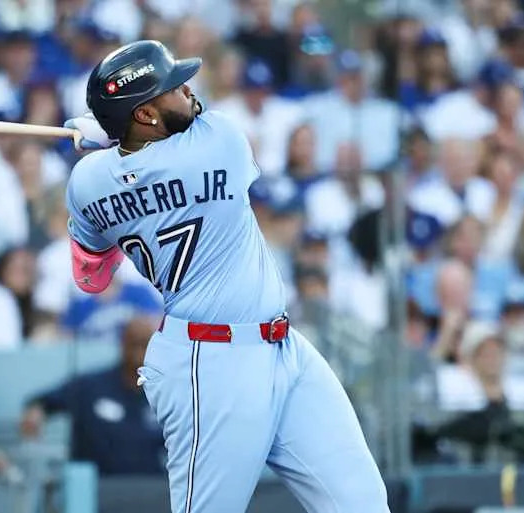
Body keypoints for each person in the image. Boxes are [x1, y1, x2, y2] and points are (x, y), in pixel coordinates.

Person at [63, 40, 388, 512]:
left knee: (363, 503)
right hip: (209, 363)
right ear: (146, 114)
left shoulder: (86, 184)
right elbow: (184, 134)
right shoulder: (220, 141)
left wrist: (113, 158)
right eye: (172, 87)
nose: (187, 90)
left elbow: (92, 275)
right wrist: (115, 144)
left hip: (283, 347)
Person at [25, 316, 166, 475]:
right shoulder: (91, 386)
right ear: (122, 344)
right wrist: (35, 413)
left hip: (150, 486)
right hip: (95, 485)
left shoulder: (165, 395)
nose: (138, 351)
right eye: (133, 343)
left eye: (144, 344)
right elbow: (44, 402)